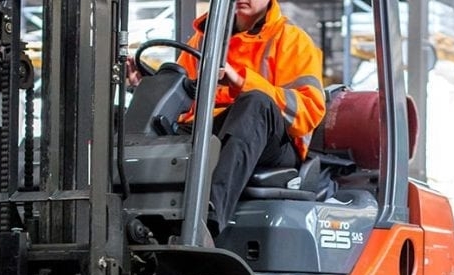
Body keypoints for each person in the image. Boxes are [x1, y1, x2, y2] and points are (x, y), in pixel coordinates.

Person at [130, 0, 325, 238]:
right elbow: (185, 101)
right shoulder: (204, 41)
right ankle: (130, 215)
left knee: (255, 103)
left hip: (273, 143)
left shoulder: (292, 40)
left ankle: (206, 222)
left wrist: (242, 81)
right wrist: (149, 90)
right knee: (139, 124)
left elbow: (309, 110)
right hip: (213, 130)